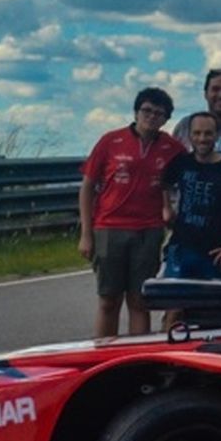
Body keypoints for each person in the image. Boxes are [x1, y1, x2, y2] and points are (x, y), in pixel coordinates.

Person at [78, 87, 187, 337]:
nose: (151, 117)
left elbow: (195, 168)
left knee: (139, 301)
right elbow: (87, 186)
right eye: (146, 110)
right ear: (136, 112)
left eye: (159, 113)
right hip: (109, 227)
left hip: (148, 230)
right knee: (109, 300)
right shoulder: (110, 141)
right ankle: (104, 354)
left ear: (166, 119)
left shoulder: (172, 148)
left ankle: (135, 356)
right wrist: (86, 233)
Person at [160, 112, 221, 281]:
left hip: (217, 254)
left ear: (216, 135)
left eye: (208, 133)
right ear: (190, 135)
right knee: (174, 305)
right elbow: (164, 183)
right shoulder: (181, 162)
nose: (202, 138)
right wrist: (167, 208)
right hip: (181, 249)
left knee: (211, 306)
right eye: (197, 133)